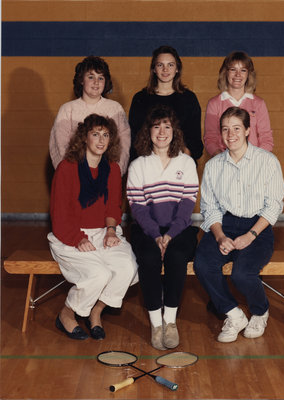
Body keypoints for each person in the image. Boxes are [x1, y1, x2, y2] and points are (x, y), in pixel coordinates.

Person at [194, 107, 284, 343]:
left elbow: (274, 205)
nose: (230, 134)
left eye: (236, 128)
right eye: (225, 129)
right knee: (203, 265)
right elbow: (209, 207)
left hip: (258, 226)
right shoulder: (214, 166)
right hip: (224, 224)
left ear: (247, 130)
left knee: (242, 274)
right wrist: (219, 236)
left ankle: (259, 310)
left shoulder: (267, 161)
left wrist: (251, 235)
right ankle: (234, 314)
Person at [48, 113, 138, 340]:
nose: (101, 140)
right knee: (98, 274)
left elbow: (113, 208)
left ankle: (95, 312)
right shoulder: (67, 168)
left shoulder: (112, 168)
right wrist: (78, 238)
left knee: (128, 266)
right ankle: (67, 314)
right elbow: (59, 214)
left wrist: (110, 231)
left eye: (106, 135)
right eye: (95, 134)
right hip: (69, 235)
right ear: (84, 138)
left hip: (102, 232)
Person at [127, 105, 199, 350]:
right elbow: (138, 209)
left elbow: (186, 207)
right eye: (156, 126)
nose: (161, 131)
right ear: (148, 131)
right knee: (148, 259)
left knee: (177, 257)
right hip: (147, 230)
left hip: (179, 229)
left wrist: (169, 235)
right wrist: (157, 236)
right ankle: (156, 323)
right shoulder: (138, 165)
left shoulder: (187, 162)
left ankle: (170, 321)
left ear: (174, 130)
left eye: (167, 126)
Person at [49, 56, 130, 175]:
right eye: (91, 77)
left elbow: (124, 144)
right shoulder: (67, 110)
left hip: (107, 175)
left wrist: (116, 172)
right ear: (82, 80)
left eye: (101, 78)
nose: (96, 82)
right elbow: (59, 146)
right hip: (75, 176)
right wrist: (70, 174)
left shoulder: (115, 109)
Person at [129, 45, 203, 162]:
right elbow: (135, 139)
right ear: (154, 69)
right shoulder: (140, 98)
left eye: (170, 65)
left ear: (177, 68)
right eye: (160, 65)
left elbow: (194, 141)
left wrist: (181, 163)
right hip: (147, 162)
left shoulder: (189, 99)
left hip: (180, 163)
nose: (165, 69)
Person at [204, 51, 274, 157]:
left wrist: (254, 159)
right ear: (225, 72)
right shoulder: (214, 103)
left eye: (243, 70)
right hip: (224, 162)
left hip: (254, 163)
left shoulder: (258, 103)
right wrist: (223, 159)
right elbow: (210, 139)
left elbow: (266, 139)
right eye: (233, 69)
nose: (238, 75)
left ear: (248, 74)